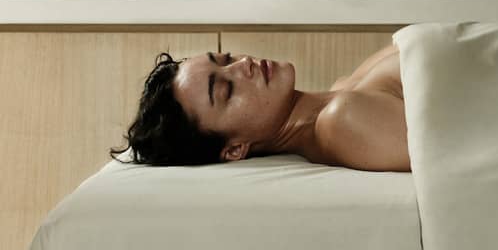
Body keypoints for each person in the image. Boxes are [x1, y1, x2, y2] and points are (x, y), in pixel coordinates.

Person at [114, 44, 410, 172]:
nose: (243, 65)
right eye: (226, 90)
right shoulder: (341, 121)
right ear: (234, 150)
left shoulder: (340, 90)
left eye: (227, 58)